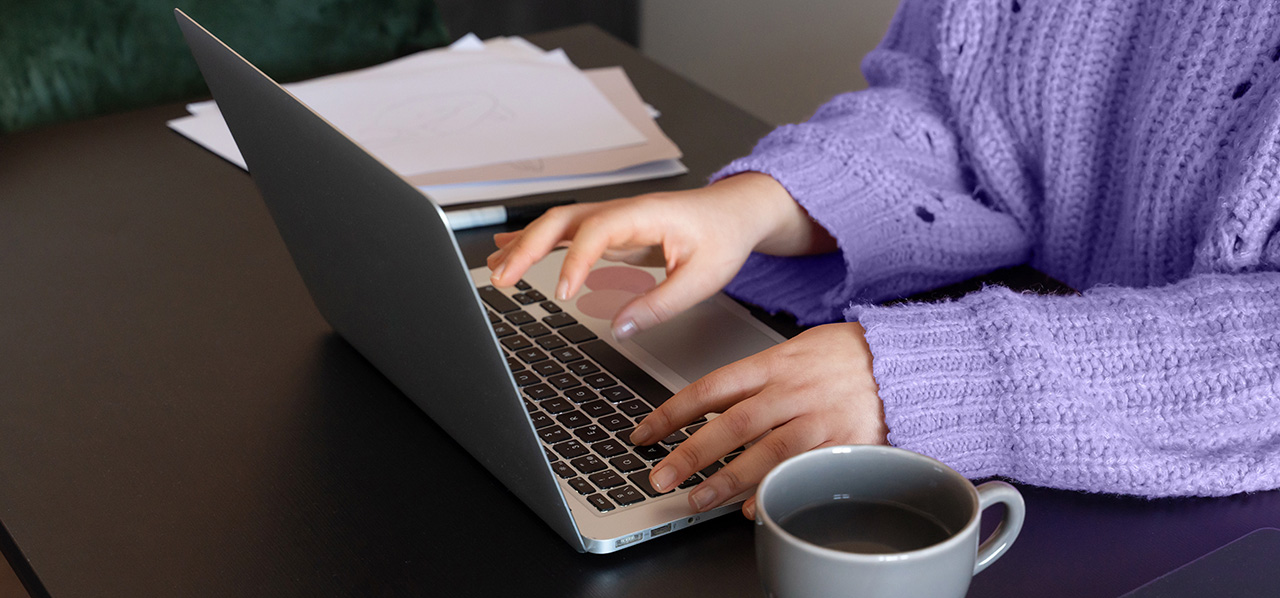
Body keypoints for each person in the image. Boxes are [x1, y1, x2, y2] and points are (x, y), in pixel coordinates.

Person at [486, 0, 1280, 518]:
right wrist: (756, 205)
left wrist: (910, 375)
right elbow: (956, 114)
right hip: (1014, 468)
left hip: (1207, 525)